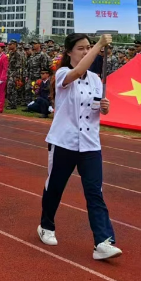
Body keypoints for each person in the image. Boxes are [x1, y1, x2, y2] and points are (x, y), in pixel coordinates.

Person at [36, 32, 119, 260]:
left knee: (95, 192)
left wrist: (103, 108)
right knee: (55, 187)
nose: (85, 51)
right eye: (81, 48)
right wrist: (100, 44)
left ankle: (103, 241)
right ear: (69, 52)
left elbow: (94, 109)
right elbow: (78, 71)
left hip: (90, 144)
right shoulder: (63, 74)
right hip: (64, 141)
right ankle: (46, 225)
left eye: (88, 47)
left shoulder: (95, 79)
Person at [5, 40, 27, 110]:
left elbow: (19, 65)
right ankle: (11, 103)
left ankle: (13, 104)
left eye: (10, 44)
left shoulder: (18, 53)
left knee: (12, 89)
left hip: (15, 73)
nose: (9, 46)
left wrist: (17, 76)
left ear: (14, 44)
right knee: (10, 89)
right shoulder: (11, 53)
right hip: (11, 73)